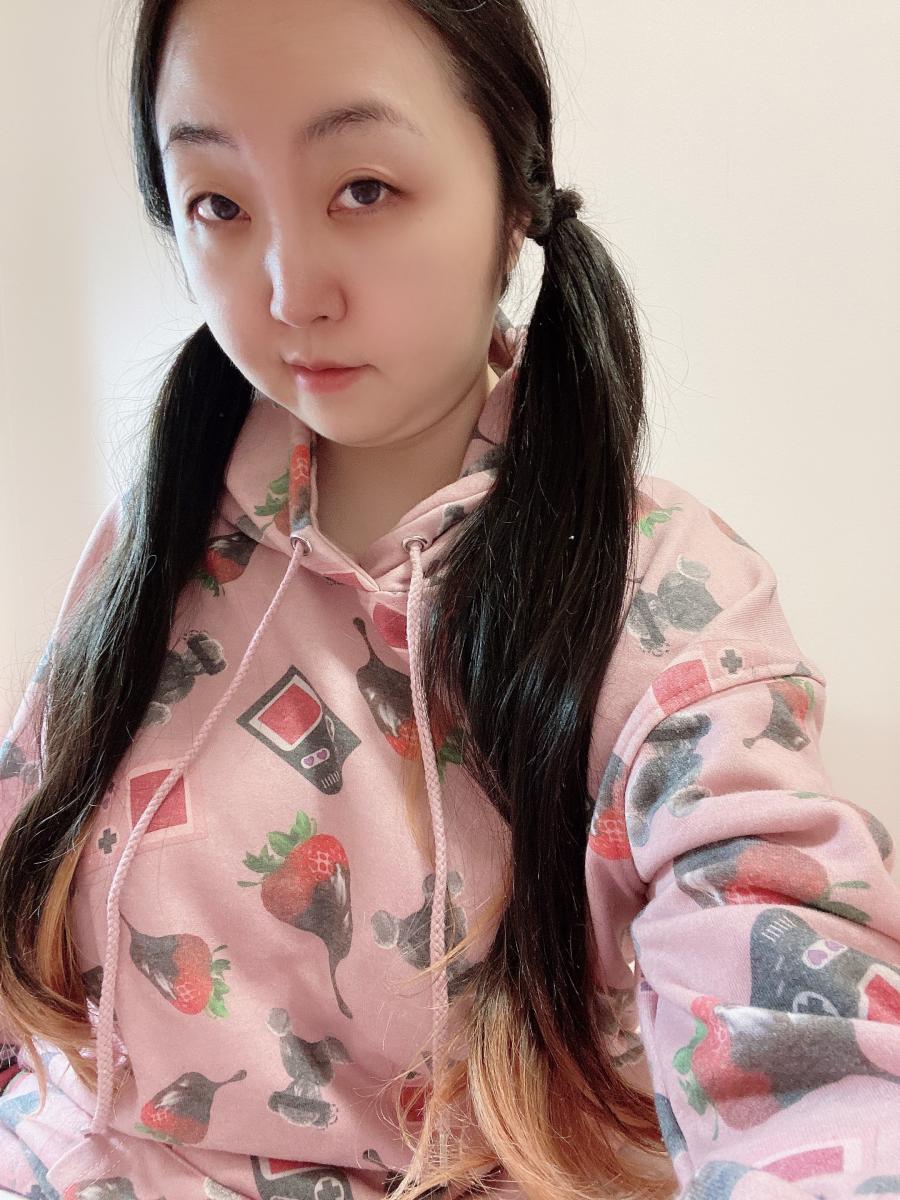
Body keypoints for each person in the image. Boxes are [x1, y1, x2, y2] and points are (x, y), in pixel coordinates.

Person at [1, 0, 899, 1197]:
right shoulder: (156, 538)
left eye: (363, 188)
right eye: (219, 203)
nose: (289, 290)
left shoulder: (666, 601)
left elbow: (796, 1010)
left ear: (513, 197)